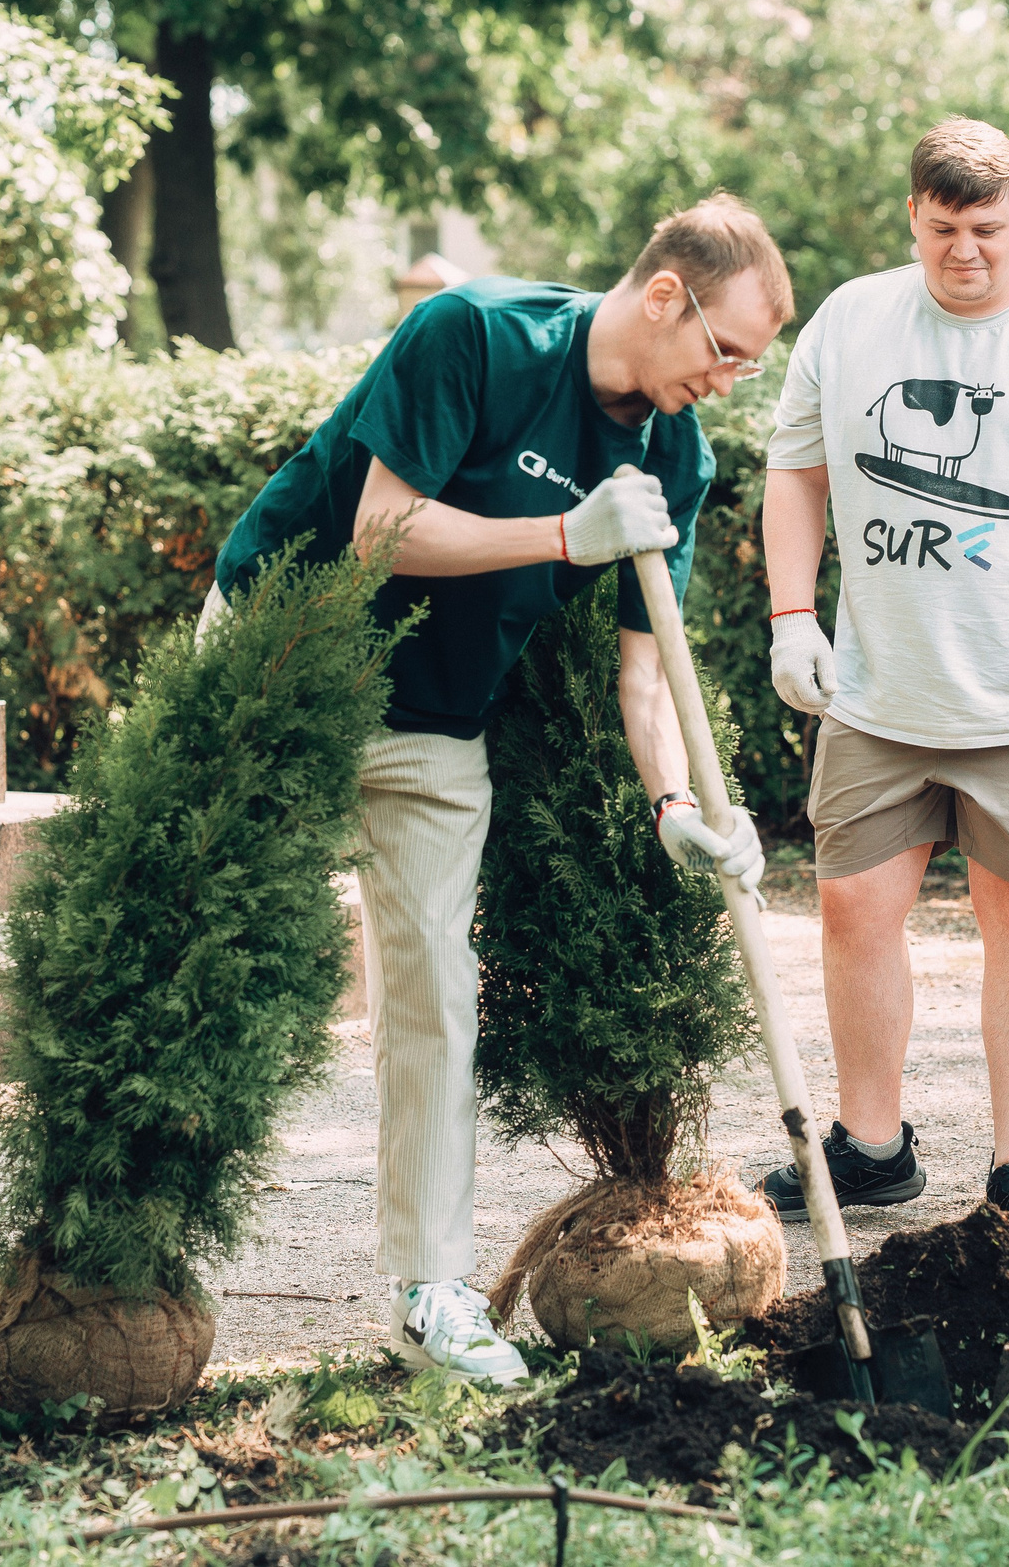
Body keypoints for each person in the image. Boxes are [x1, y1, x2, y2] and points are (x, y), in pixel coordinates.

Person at [205, 196, 791, 1385]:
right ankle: (122, 1256)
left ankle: (430, 1290)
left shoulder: (672, 456)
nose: (728, 382)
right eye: (725, 351)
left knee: (435, 991)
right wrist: (567, 533)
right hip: (281, 656)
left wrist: (678, 807)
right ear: (665, 295)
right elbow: (380, 529)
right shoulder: (474, 333)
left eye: (749, 366)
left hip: (435, 719)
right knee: (209, 956)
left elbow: (645, 674)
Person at [756, 117, 1009, 1228]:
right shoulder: (853, 319)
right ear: (913, 216)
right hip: (881, 689)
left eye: (987, 227)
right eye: (942, 227)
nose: (965, 251)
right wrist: (792, 616)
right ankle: (871, 1146)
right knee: (853, 906)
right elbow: (796, 470)